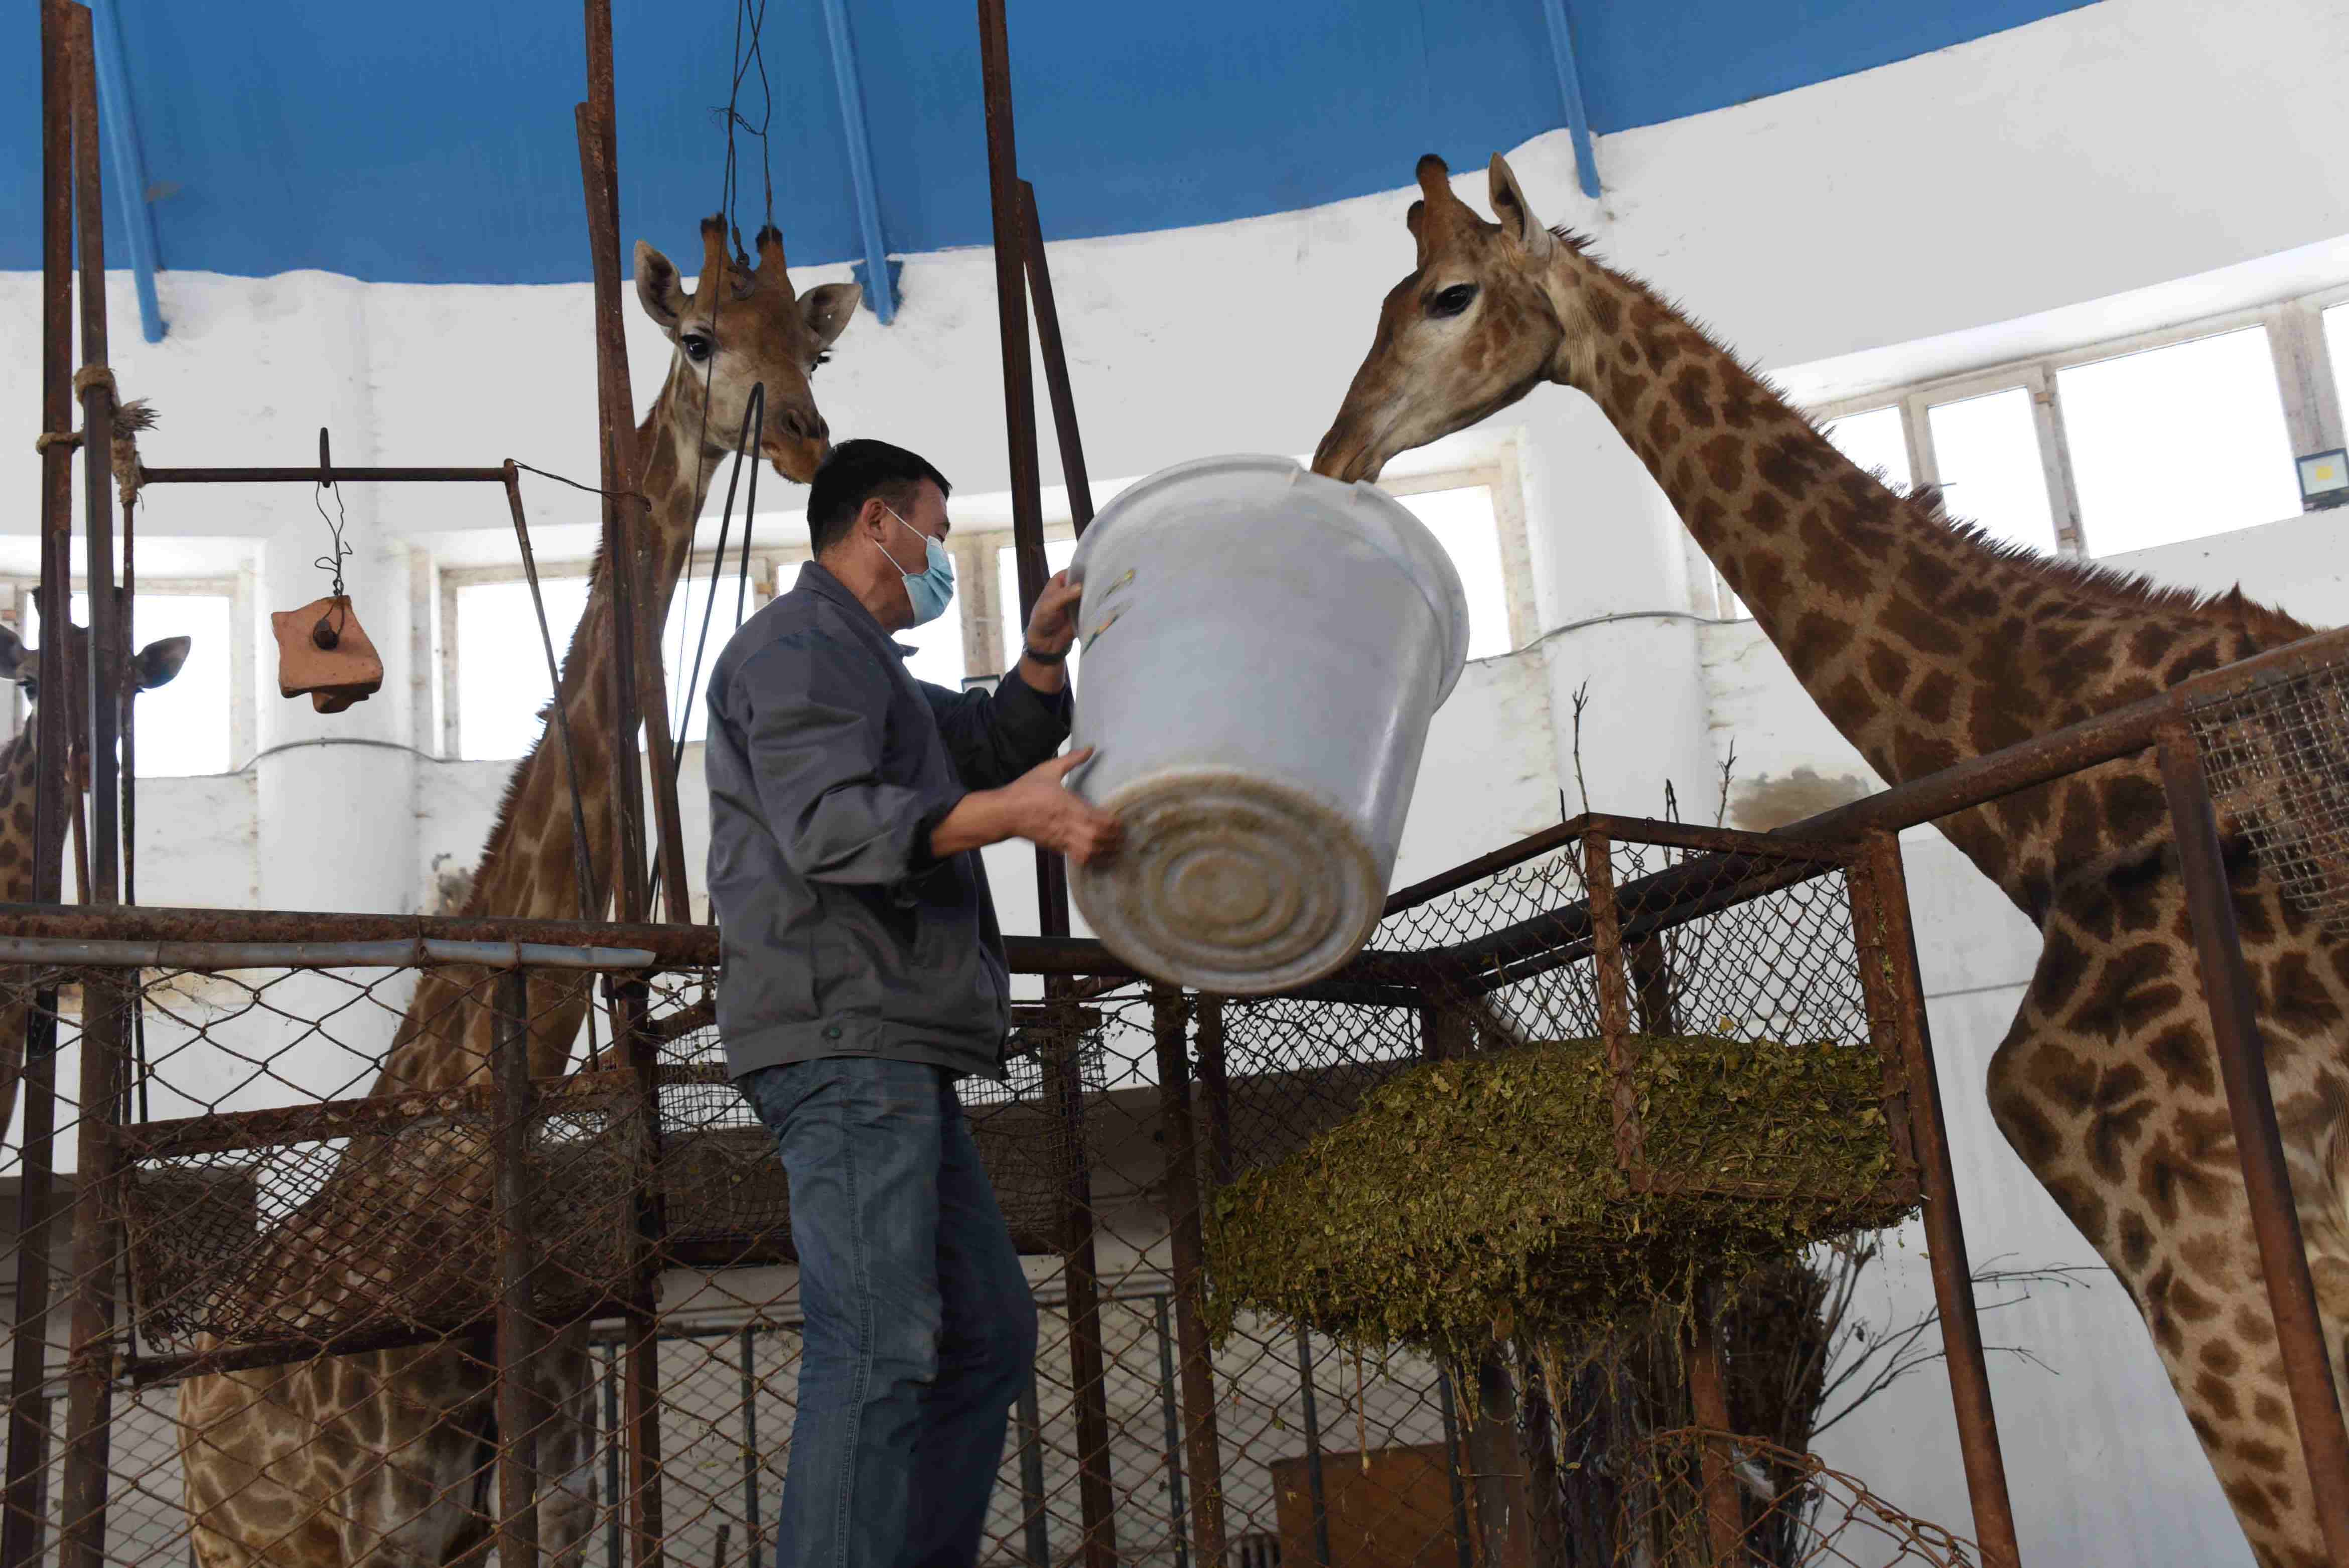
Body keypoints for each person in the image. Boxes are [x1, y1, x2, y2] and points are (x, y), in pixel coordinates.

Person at [703, 438, 1121, 1568]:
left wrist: (1039, 657)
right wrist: (1012, 817)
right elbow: (833, 825)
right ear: (880, 523)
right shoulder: (792, 650)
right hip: (842, 1034)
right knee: (881, 1342)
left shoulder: (867, 668)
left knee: (985, 1334)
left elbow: (981, 744)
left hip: (889, 1040)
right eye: (936, 529)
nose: (940, 553)